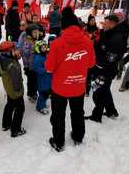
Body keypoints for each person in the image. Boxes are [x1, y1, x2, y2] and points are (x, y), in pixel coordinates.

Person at [45, 10, 95, 152]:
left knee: (58, 115)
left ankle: (58, 142)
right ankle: (78, 137)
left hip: (60, 87)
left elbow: (49, 68)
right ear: (77, 26)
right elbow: (91, 64)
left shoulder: (56, 44)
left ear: (63, 27)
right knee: (78, 112)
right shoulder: (87, 42)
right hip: (79, 86)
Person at [85, 14, 127, 123]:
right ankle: (111, 111)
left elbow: (111, 58)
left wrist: (98, 66)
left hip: (105, 70)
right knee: (105, 90)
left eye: (106, 22)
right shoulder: (106, 33)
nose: (104, 24)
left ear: (113, 23)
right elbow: (99, 47)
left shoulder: (117, 37)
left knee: (98, 92)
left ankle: (96, 116)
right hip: (100, 67)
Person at [0, 41, 26, 137]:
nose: (16, 51)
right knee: (20, 108)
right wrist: (19, 92)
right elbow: (16, 80)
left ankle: (6, 124)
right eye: (14, 50)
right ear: (8, 52)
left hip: (9, 89)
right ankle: (15, 130)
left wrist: (16, 56)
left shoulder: (3, 59)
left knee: (10, 104)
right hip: (15, 90)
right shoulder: (11, 65)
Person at [18, 24, 40, 102]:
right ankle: (31, 94)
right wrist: (26, 66)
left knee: (35, 80)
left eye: (37, 32)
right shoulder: (27, 43)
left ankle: (34, 92)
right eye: (34, 32)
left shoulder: (35, 40)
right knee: (31, 81)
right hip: (30, 67)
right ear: (30, 33)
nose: (37, 34)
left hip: (35, 65)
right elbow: (25, 56)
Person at [32, 40, 52, 115]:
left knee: (47, 93)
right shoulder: (38, 58)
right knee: (43, 94)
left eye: (45, 47)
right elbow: (36, 68)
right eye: (42, 48)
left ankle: (43, 104)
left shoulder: (45, 55)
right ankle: (40, 107)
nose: (44, 49)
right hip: (42, 80)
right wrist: (46, 70)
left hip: (48, 79)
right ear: (38, 48)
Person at [85, 15, 99, 96]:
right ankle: (86, 89)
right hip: (86, 53)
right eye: (92, 20)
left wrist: (94, 37)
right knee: (87, 72)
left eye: (94, 20)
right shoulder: (85, 29)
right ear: (89, 21)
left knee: (93, 72)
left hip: (95, 53)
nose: (93, 21)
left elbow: (99, 39)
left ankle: (91, 88)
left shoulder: (97, 30)